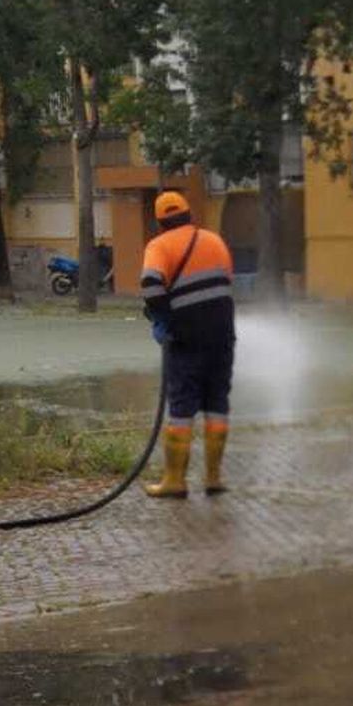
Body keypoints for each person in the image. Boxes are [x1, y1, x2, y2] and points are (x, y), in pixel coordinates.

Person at [139, 190, 236, 499]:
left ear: (159, 222)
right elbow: (225, 284)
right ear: (189, 215)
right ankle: (213, 478)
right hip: (222, 336)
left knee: (181, 409)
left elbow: (152, 289)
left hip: (186, 340)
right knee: (217, 405)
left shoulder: (159, 245)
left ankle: (175, 481)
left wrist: (164, 320)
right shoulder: (214, 240)